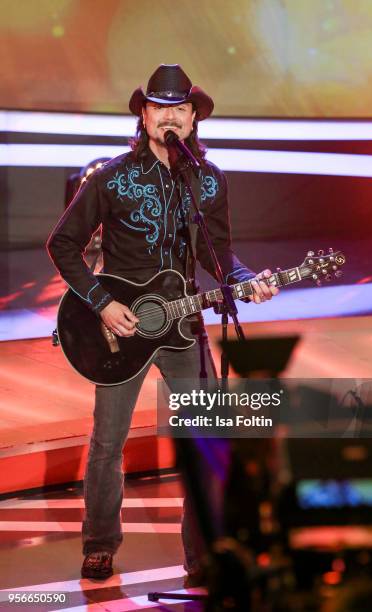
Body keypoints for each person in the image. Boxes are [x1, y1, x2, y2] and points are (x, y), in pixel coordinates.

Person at [47, 64, 278, 583]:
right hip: (120, 330)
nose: (170, 116)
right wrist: (103, 303)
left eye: (180, 108)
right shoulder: (111, 177)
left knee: (208, 437)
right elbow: (62, 245)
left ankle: (202, 556)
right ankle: (100, 544)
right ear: (144, 115)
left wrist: (247, 280)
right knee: (108, 442)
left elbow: (219, 257)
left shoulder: (209, 180)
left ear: (193, 118)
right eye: (160, 107)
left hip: (182, 328)